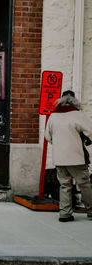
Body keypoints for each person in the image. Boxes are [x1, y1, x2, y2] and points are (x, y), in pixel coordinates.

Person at [45, 90, 92, 222]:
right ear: (75, 101)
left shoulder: (53, 116)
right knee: (84, 184)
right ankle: (91, 210)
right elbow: (91, 132)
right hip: (76, 157)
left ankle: (65, 213)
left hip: (60, 158)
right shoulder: (78, 115)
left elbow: (47, 136)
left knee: (64, 185)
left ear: (60, 100)